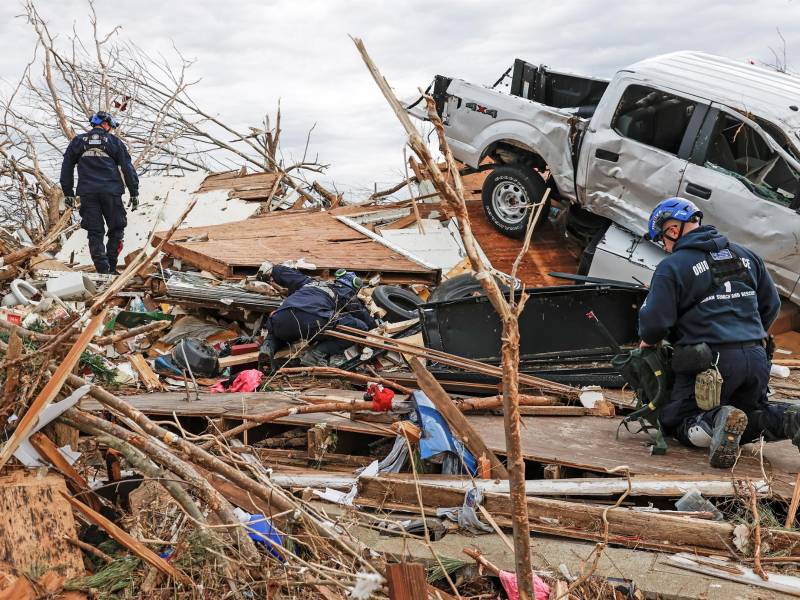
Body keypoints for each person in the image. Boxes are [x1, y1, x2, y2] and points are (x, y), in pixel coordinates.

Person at [638, 197, 799, 467]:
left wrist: (648, 341)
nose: (664, 247)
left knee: (675, 421)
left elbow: (654, 324)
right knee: (750, 414)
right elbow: (770, 306)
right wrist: (745, 332)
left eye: (662, 239)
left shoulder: (673, 266)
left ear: (672, 230)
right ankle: (788, 419)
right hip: (757, 358)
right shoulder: (746, 256)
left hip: (710, 364)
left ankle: (716, 419)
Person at [60, 111, 139, 274]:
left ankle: (103, 270)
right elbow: (127, 168)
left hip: (88, 194)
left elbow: (66, 168)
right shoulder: (114, 142)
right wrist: (134, 192)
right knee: (116, 229)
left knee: (95, 232)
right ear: (106, 124)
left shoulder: (77, 142)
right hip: (111, 192)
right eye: (110, 126)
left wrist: (68, 193)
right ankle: (110, 267)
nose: (110, 129)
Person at [257, 263, 375, 369]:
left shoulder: (311, 282)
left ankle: (267, 349)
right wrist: (375, 325)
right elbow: (363, 318)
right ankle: (315, 356)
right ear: (354, 288)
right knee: (360, 327)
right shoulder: (347, 293)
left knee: (277, 332)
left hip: (282, 316)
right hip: (314, 320)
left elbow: (283, 272)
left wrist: (271, 270)